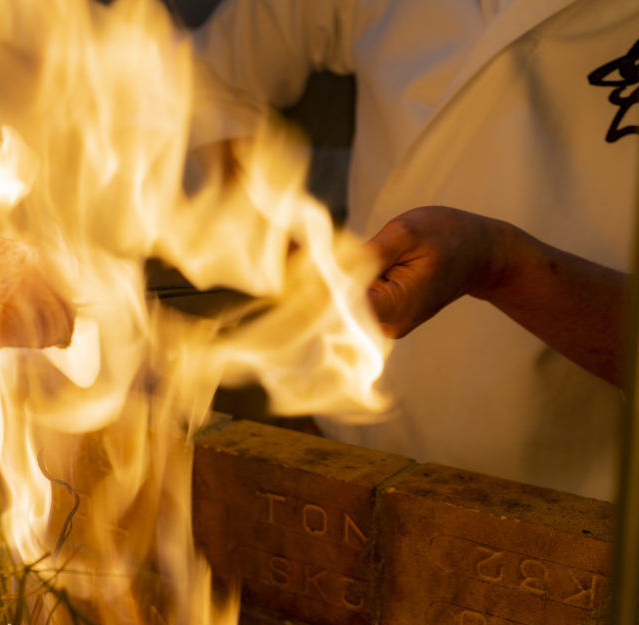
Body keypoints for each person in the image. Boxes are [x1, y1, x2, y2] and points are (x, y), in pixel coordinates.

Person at [190, 0, 639, 499]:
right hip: (349, 461)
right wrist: (280, 234)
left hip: (574, 514)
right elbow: (195, 84)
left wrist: (500, 264)